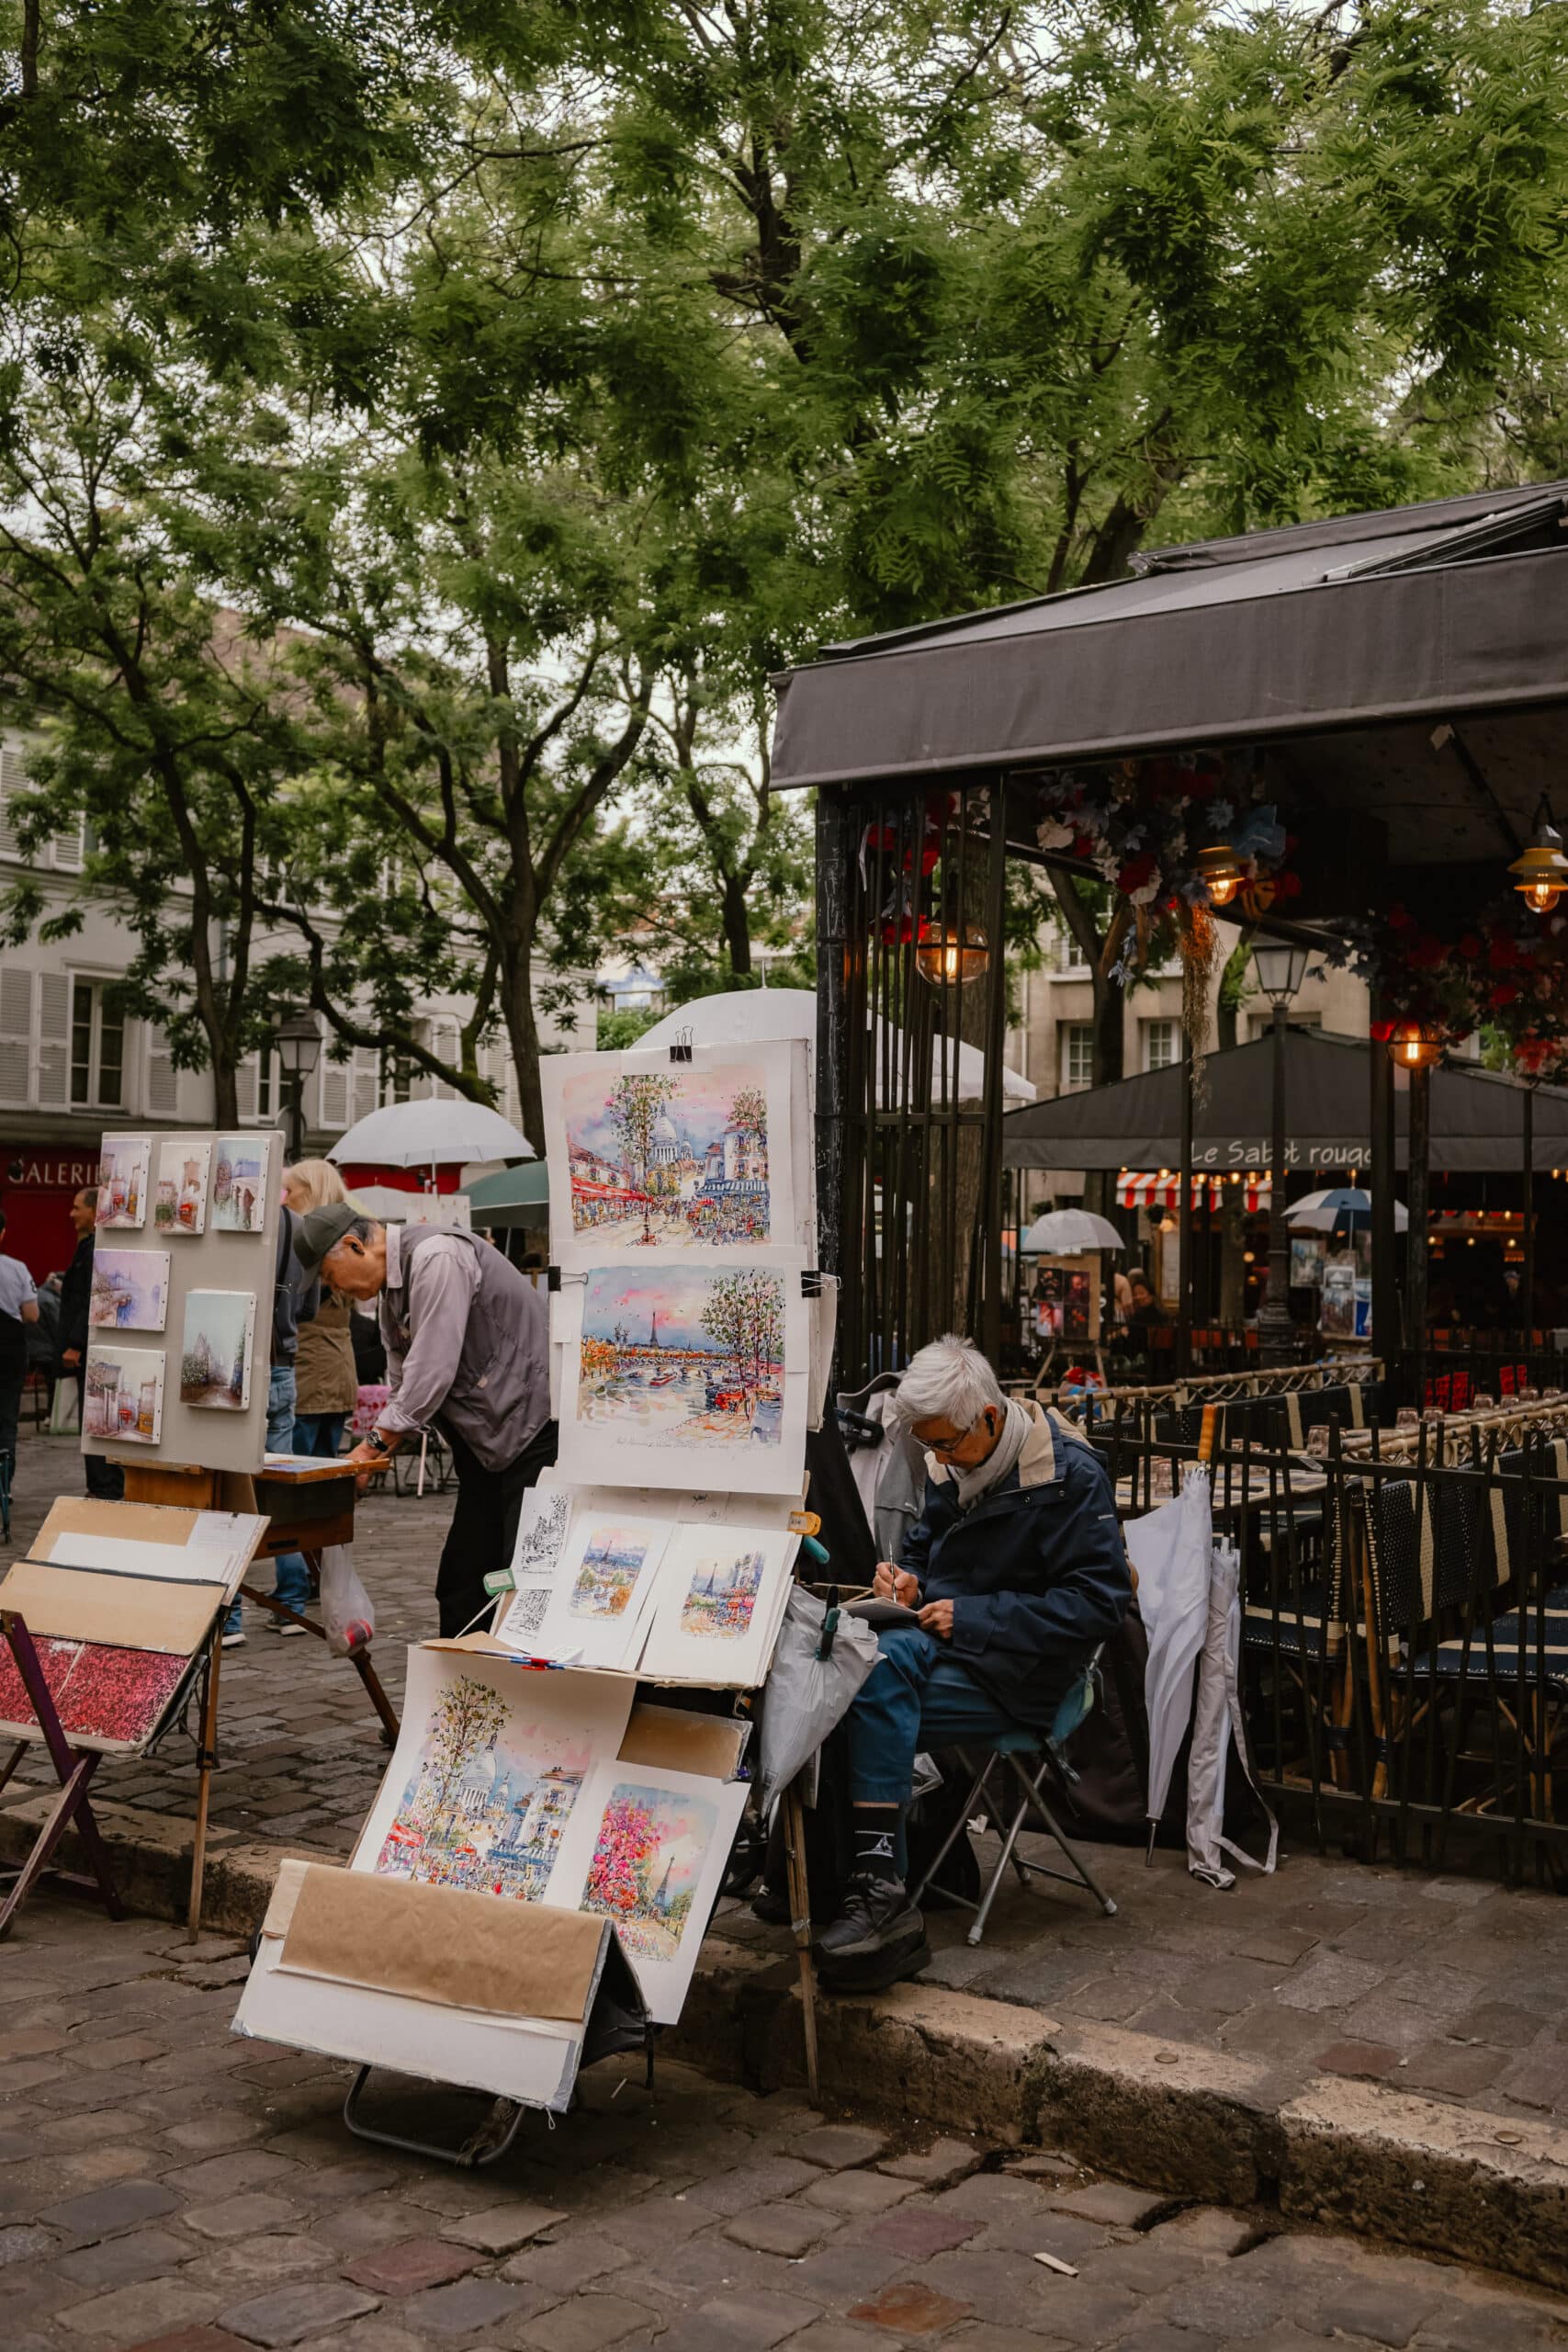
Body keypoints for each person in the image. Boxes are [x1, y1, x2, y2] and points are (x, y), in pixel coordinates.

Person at [816, 1333, 1131, 1973]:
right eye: (925, 1444)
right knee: (843, 1671)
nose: (937, 1457)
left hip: (1032, 1675)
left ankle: (880, 1891)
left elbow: (1100, 1606)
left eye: (945, 1442)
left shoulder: (1069, 1476)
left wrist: (975, 1615)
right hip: (952, 1649)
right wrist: (907, 1583)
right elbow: (925, 1556)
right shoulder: (952, 1461)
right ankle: (857, 1880)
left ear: (988, 1416)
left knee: (862, 1694)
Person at [293, 1205, 555, 1636]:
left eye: (327, 1274)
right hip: (486, 1446)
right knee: (462, 1583)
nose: (332, 1288)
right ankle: (466, 1690)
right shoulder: (391, 1299)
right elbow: (403, 1390)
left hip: (532, 1432)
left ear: (355, 1246)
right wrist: (368, 1464)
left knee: (524, 1576)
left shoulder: (437, 1258)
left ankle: (526, 1688)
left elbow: (432, 1373)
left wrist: (368, 1448)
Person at [221, 1196, 319, 1648]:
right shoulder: (302, 1229)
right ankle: (294, 1606)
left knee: (230, 1490)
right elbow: (309, 1309)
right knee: (279, 1487)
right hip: (283, 1365)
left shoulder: (230, 1214)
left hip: (235, 1365)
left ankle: (231, 1617)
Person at [283, 1161, 358, 1459]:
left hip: (309, 1374)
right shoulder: (350, 1241)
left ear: (310, 1192)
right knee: (324, 1475)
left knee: (298, 1471)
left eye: (290, 1189)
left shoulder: (310, 1245)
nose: (285, 1197)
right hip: (338, 1372)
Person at [55, 1186, 122, 1499]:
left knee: (95, 1417)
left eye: (76, 1207)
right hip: (88, 1348)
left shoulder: (97, 1248)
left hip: (91, 1350)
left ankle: (103, 1487)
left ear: (94, 1212)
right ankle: (101, 1485)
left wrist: (75, 1344)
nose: (71, 1214)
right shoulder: (88, 1246)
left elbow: (90, 1299)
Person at [0, 1209, 39, 1473]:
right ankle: (5, 1478)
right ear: (2, 1233)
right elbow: (32, 1315)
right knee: (6, 1416)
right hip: (9, 1347)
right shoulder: (17, 1268)